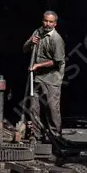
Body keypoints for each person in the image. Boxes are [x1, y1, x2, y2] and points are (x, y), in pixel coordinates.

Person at [22, 11, 65, 142]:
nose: (47, 24)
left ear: (55, 24)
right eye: (46, 21)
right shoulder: (37, 33)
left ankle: (55, 137)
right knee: (34, 107)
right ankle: (36, 136)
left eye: (51, 22)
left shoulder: (56, 39)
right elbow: (24, 49)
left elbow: (57, 61)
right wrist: (31, 42)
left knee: (52, 109)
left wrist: (38, 66)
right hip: (37, 78)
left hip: (52, 79)